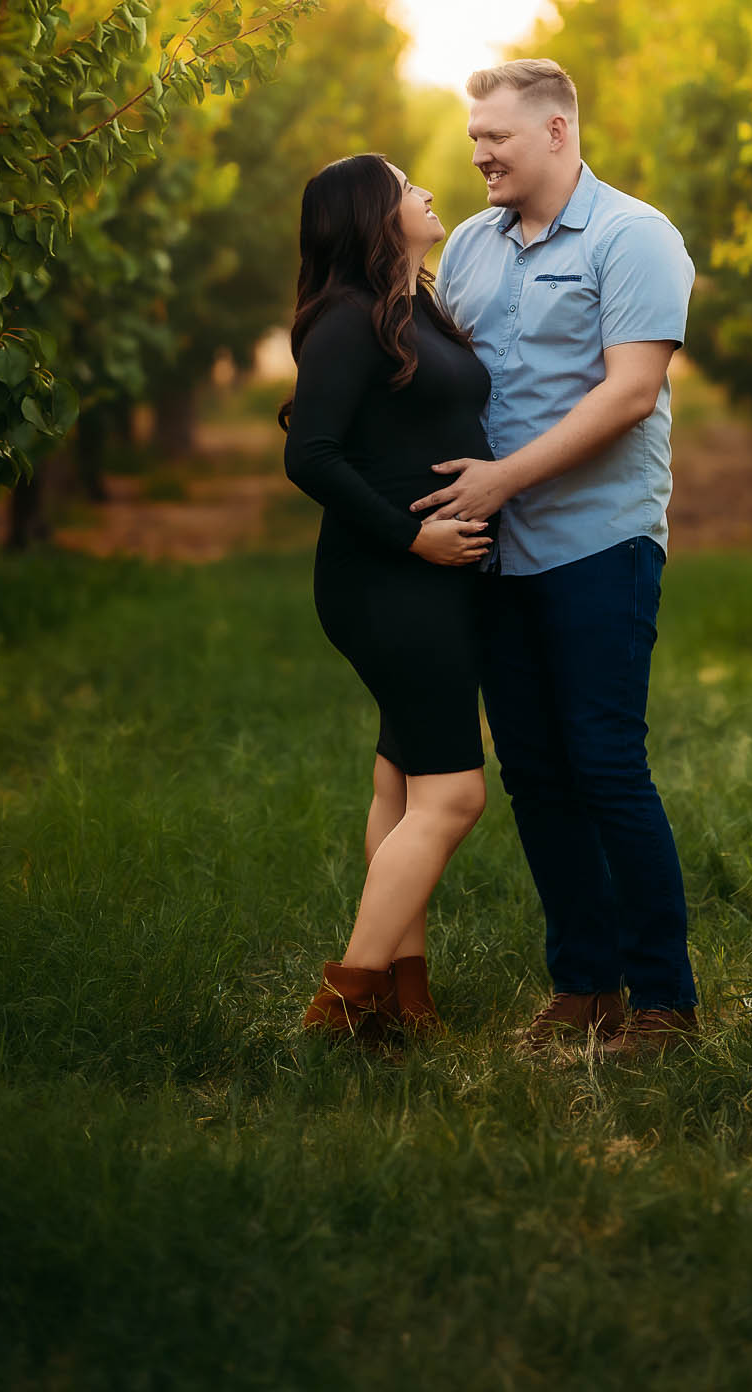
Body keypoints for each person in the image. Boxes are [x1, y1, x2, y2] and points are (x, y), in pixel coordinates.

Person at [417, 59, 698, 1055]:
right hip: (495, 555)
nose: (479, 155)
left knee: (605, 764)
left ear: (554, 130)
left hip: (597, 540)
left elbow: (628, 393)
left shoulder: (633, 236)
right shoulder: (467, 245)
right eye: (473, 139)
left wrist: (500, 480)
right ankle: (584, 986)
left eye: (494, 136)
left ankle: (664, 1000)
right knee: (534, 773)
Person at [281, 153, 494, 1042]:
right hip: (388, 579)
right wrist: (413, 537)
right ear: (372, 213)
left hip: (428, 579)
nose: (427, 192)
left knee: (402, 782)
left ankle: (405, 1000)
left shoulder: (411, 310)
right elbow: (309, 456)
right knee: (455, 796)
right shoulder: (347, 320)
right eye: (407, 187)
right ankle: (346, 999)